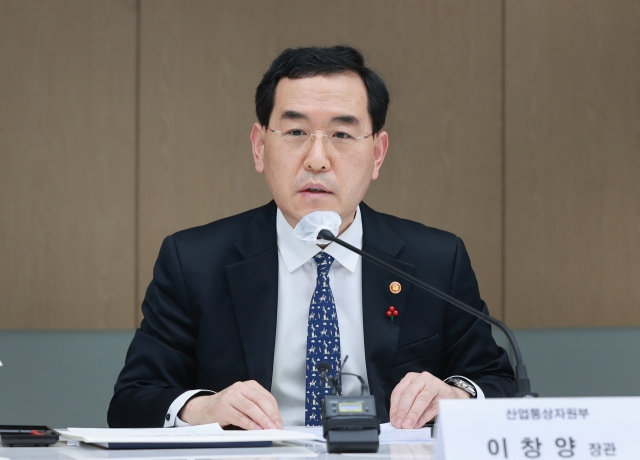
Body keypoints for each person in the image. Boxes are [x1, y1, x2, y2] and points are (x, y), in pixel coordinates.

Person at [108, 45, 514, 430]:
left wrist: (454, 397)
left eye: (341, 135)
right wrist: (203, 408)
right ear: (259, 147)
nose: (317, 159)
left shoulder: (436, 261)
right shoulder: (194, 261)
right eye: (296, 132)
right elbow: (132, 400)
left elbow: (498, 383)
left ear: (377, 155)